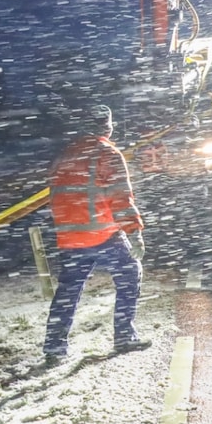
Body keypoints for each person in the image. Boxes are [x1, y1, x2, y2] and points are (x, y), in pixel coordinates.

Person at [43, 104, 148, 362]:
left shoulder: (64, 156)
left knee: (68, 291)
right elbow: (121, 197)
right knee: (129, 275)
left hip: (69, 236)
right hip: (103, 233)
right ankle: (124, 336)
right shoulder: (107, 153)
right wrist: (134, 232)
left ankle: (55, 348)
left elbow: (56, 197)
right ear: (107, 126)